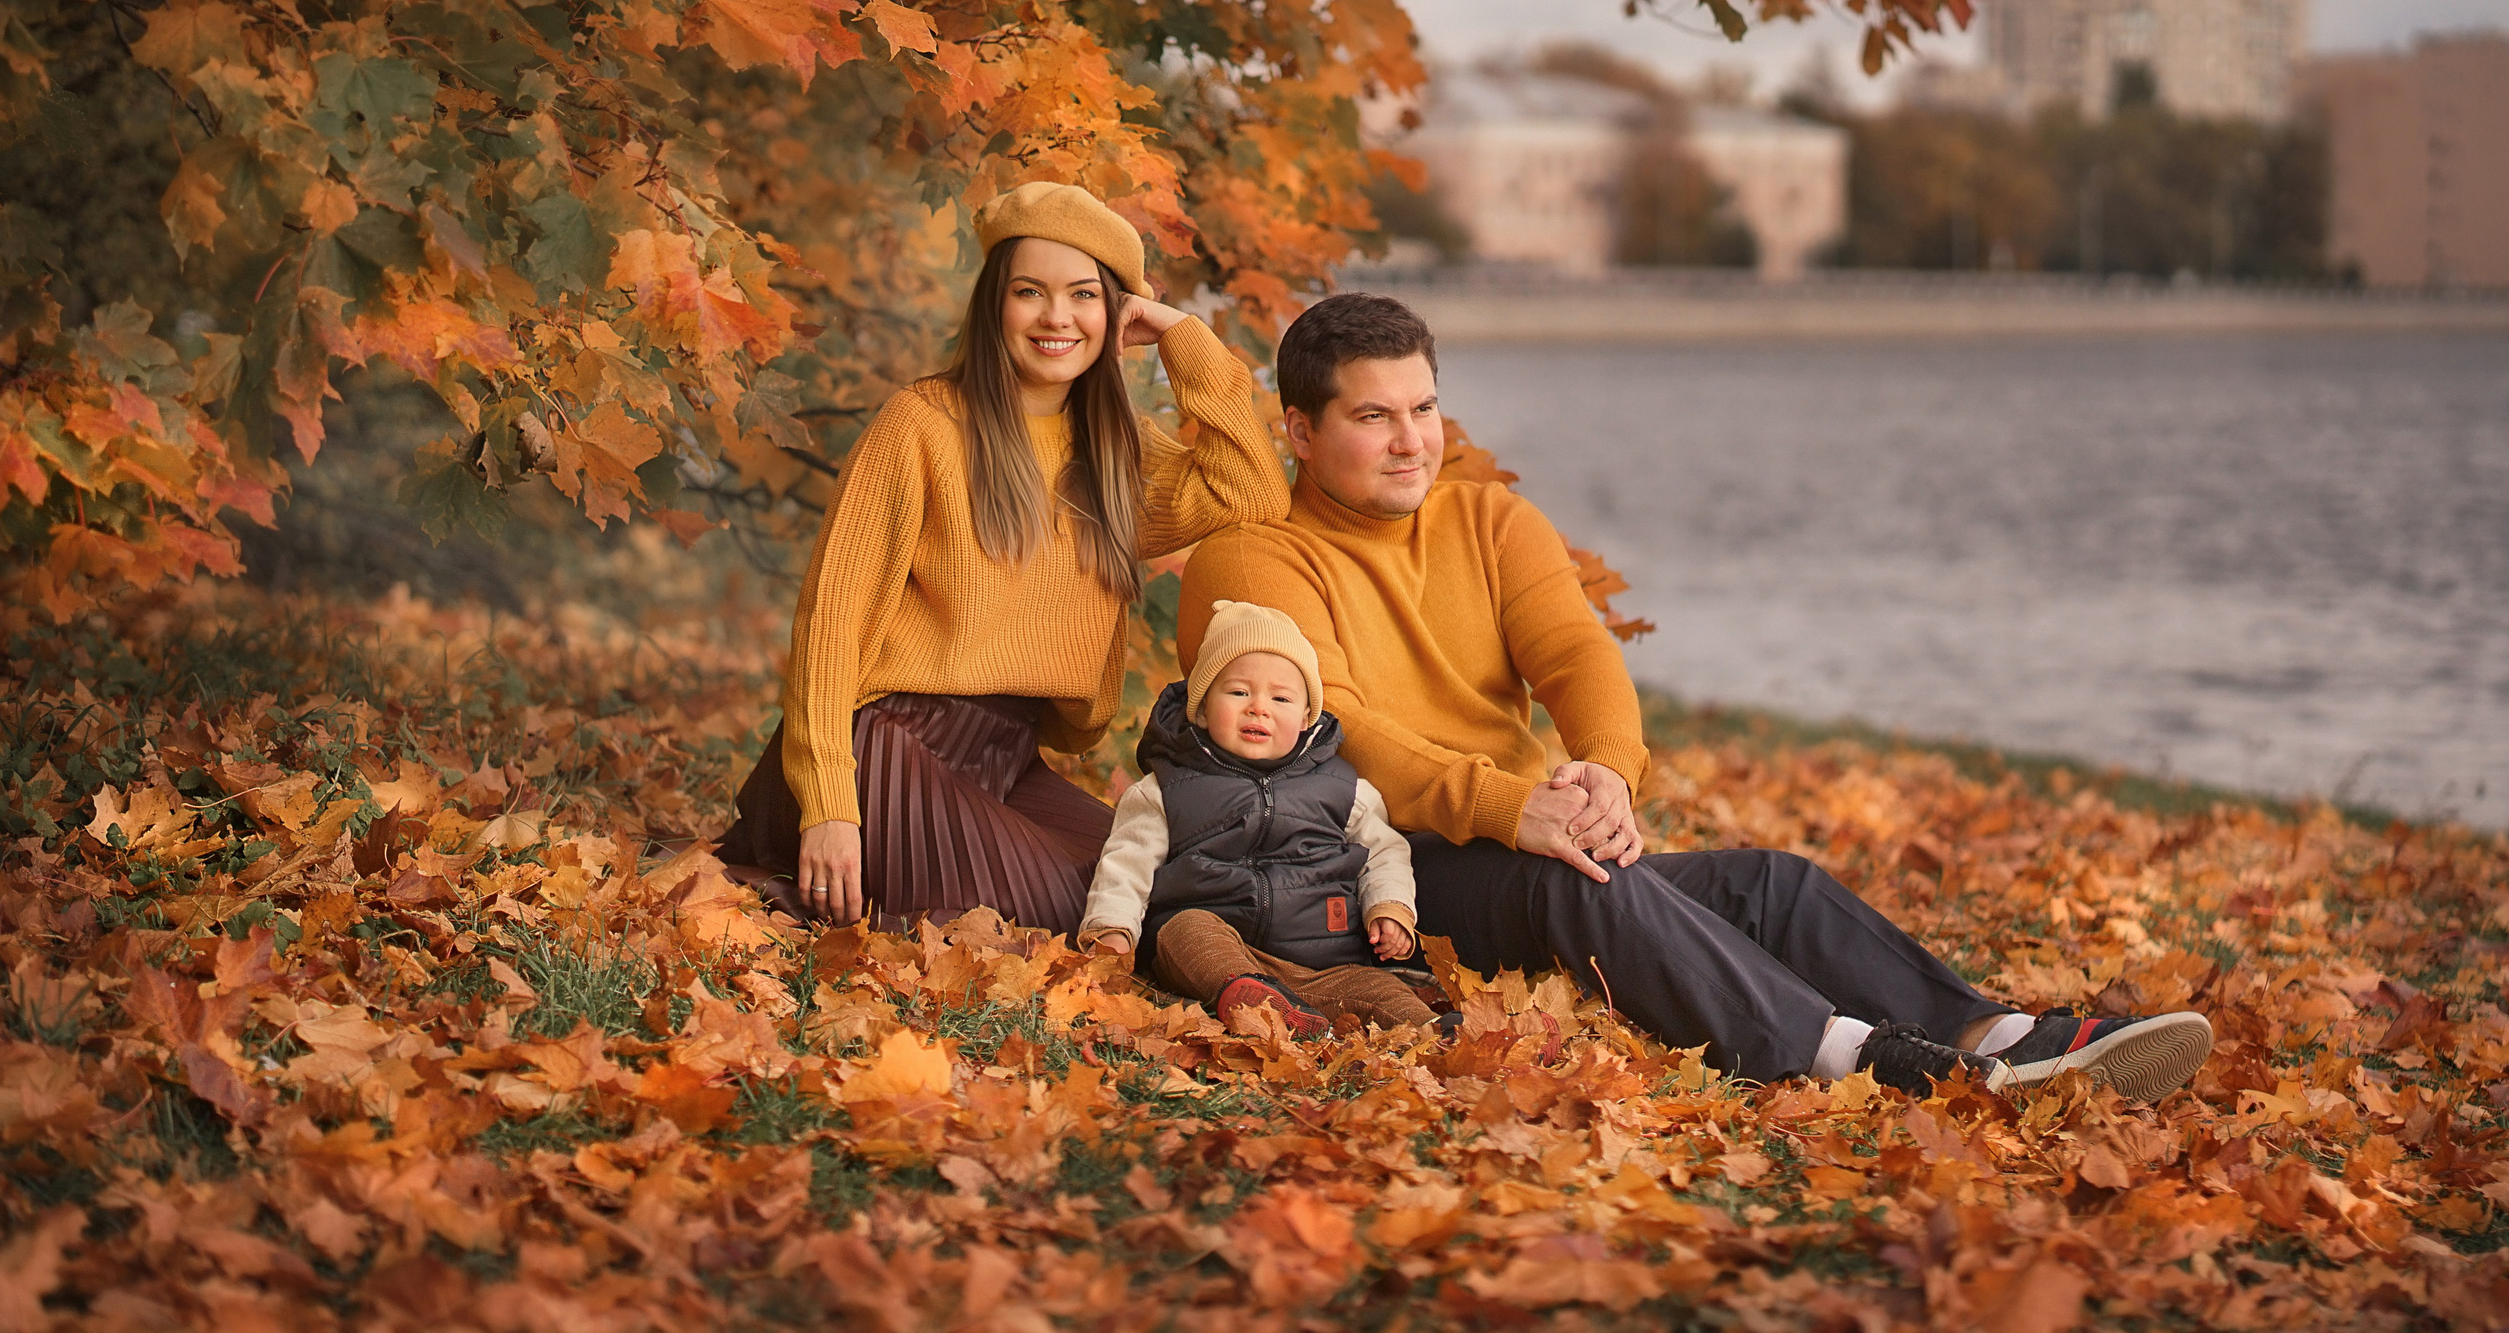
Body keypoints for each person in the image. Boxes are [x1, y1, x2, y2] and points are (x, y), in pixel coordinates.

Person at [1177, 293, 2216, 1102]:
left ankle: (2000, 1036)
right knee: (1574, 883)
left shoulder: (1489, 523)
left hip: (1506, 845)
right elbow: (1338, 730)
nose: (1411, 440)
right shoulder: (1253, 558)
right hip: (1362, 883)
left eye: (1423, 408)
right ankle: (1848, 1056)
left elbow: (1578, 657)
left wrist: (1607, 775)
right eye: (1372, 416)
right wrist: (1513, 808)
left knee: (1772, 884)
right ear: (1300, 431)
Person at [713, 183, 1289, 935]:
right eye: (1030, 292)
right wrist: (828, 804)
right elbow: (831, 623)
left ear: (1114, 314)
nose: (1057, 317)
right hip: (884, 749)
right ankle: (791, 876)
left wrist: (1182, 333)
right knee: (1073, 911)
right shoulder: (921, 425)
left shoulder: (1117, 455)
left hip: (1003, 761)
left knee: (1156, 881)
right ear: (995, 306)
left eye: (1084, 295)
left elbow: (1252, 490)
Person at [1077, 600, 1441, 1038]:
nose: (1258, 708)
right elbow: (1126, 863)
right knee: (1185, 930)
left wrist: (1390, 907)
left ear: (1307, 719)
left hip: (1326, 962)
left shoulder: (1343, 789)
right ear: (1203, 709)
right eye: (1237, 692)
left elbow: (1384, 851)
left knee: (1380, 991)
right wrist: (1111, 931)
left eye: (1281, 697)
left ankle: (1437, 1033)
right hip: (1220, 950)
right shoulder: (1166, 790)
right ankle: (1256, 1000)